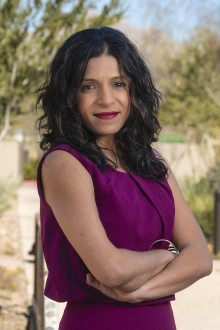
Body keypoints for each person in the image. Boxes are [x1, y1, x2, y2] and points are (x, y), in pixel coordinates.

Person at [36, 26, 212, 330]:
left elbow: (201, 259)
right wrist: (167, 254)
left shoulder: (151, 161)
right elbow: (112, 271)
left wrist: (139, 292)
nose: (106, 99)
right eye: (88, 86)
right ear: (69, 96)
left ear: (133, 90)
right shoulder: (64, 164)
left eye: (118, 83)